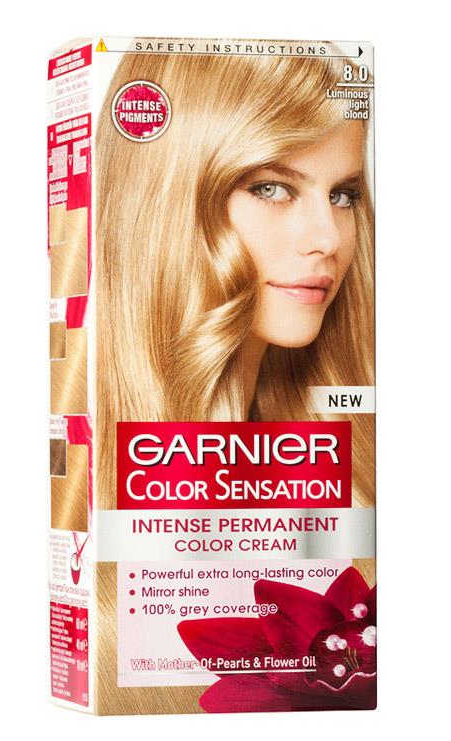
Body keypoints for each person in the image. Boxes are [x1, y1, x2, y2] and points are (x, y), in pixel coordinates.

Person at [96, 47, 375, 509]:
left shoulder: (343, 468)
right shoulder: (102, 481)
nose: (328, 238)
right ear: (166, 202)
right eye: (271, 188)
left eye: (342, 195)